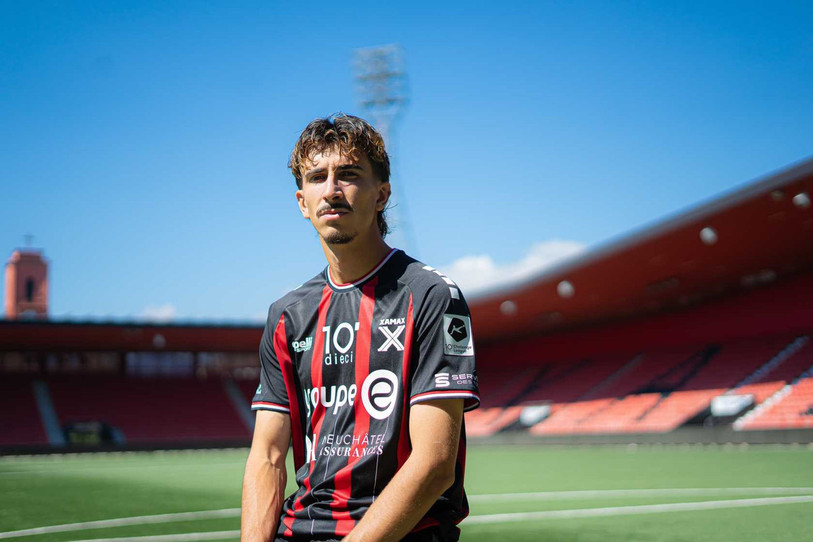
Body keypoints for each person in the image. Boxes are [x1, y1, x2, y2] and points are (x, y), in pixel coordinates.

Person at [241, 114, 479, 542]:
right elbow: (268, 457)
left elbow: (435, 463)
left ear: (381, 194)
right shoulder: (287, 315)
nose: (331, 190)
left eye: (349, 174)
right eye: (317, 177)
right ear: (302, 202)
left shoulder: (431, 296)